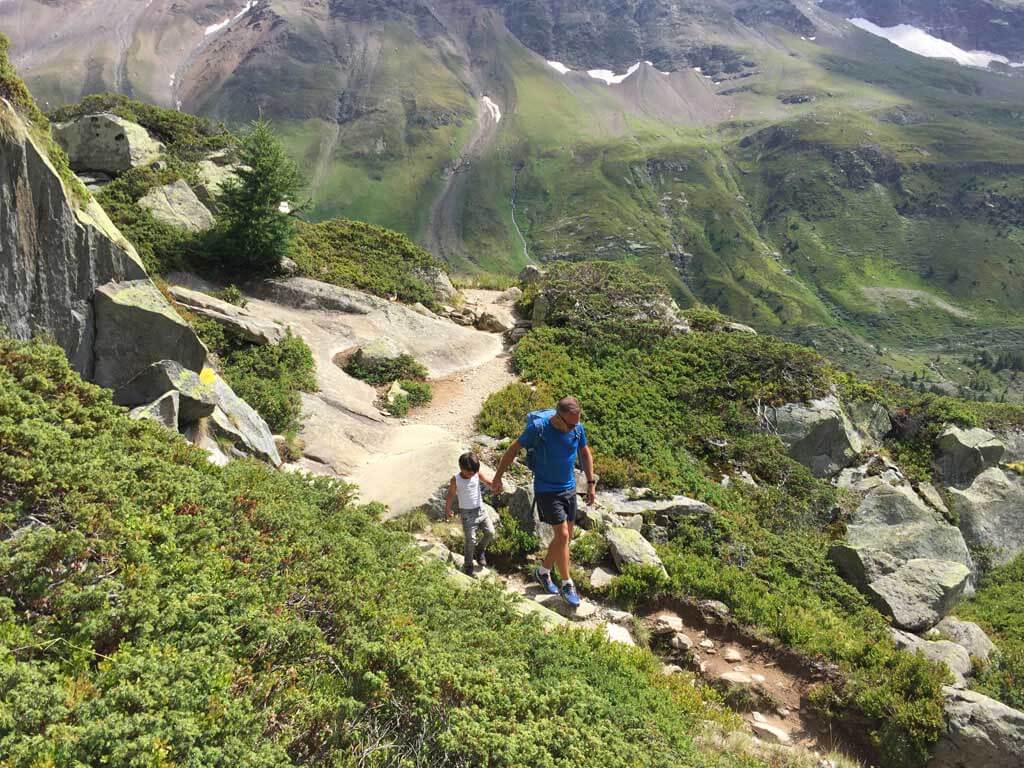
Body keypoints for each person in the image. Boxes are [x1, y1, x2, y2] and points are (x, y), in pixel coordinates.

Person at [492, 396, 595, 607]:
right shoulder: (538, 429)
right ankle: (567, 584)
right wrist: (498, 476)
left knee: (565, 538)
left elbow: (584, 453)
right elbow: (513, 449)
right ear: (558, 417)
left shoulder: (576, 428)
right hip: (547, 489)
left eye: (577, 422)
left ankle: (543, 571)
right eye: (571, 423)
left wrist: (591, 482)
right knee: (563, 535)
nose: (575, 428)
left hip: (569, 488)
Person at [444, 452, 496, 577]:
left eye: (474, 471)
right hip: (467, 514)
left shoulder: (476, 474)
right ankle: (468, 565)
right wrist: (447, 509)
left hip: (481, 510)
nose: (471, 474)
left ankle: (480, 551)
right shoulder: (456, 480)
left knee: (490, 533)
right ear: (461, 468)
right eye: (469, 472)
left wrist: (495, 486)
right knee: (470, 540)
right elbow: (451, 494)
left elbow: (488, 482)